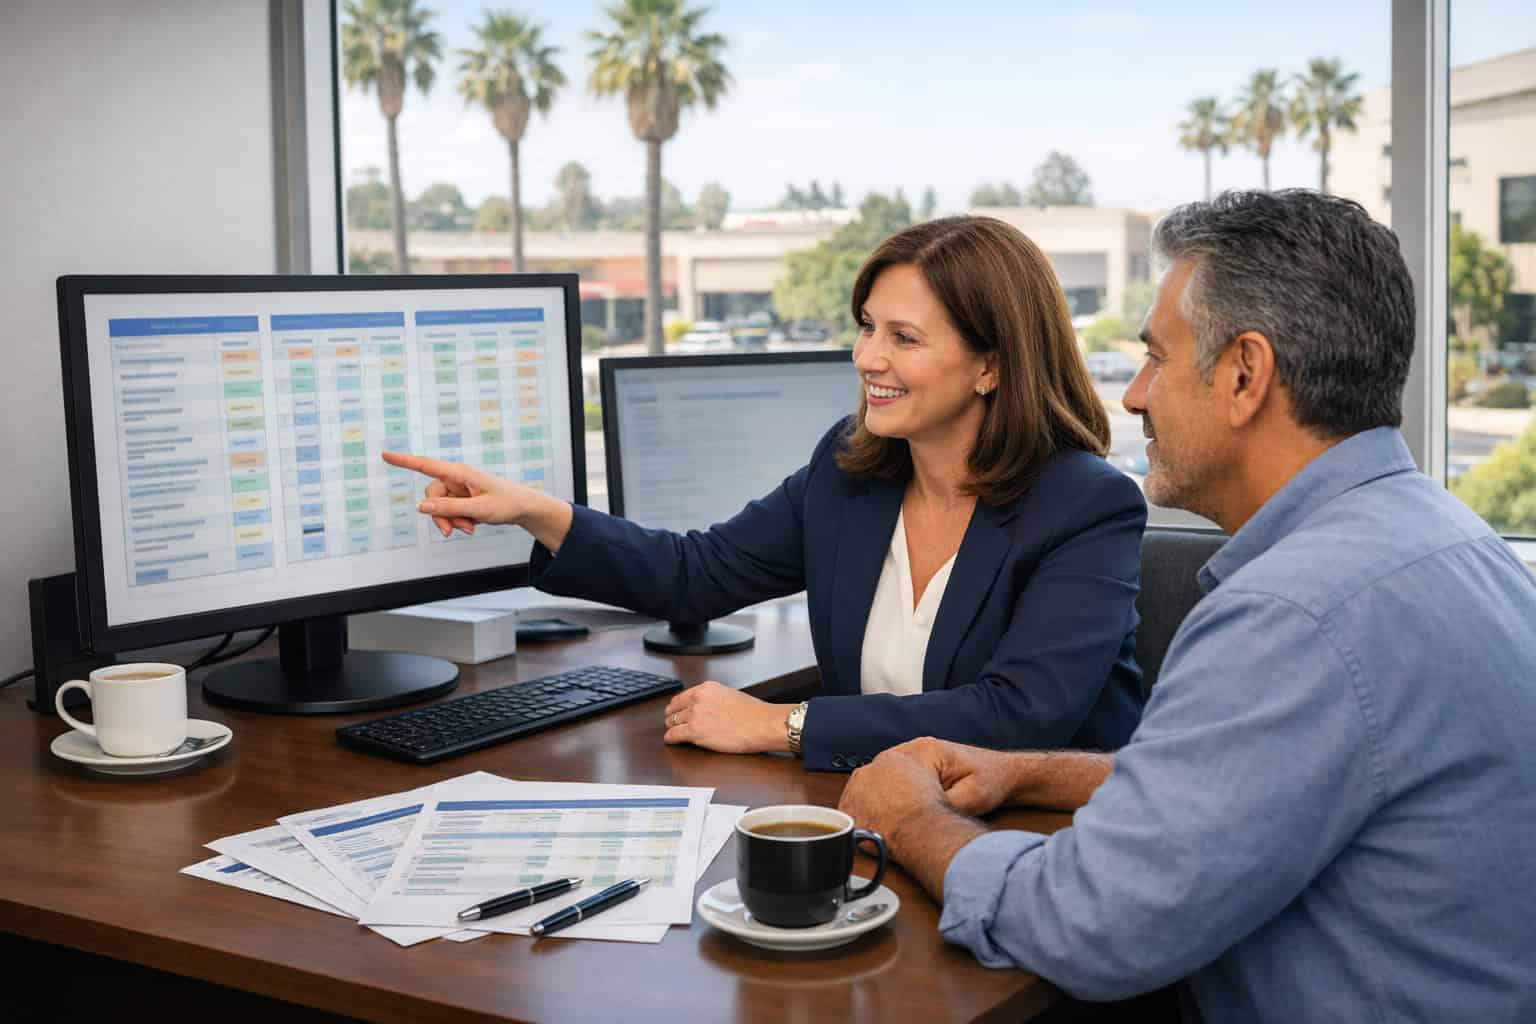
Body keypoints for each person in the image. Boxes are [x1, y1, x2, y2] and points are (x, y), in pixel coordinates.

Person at [838, 190, 1536, 1021]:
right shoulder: (1450, 539)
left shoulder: (1293, 613)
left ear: (1246, 374)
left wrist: (911, 820)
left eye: (1156, 359)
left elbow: (1088, 925)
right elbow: (1274, 780)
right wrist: (1035, 771)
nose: (1132, 396)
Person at [384, 216, 1148, 771]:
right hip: (891, 816)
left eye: (903, 339)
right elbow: (698, 573)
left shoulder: (1085, 506)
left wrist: (781, 724)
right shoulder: (853, 471)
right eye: (866, 327)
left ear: (991, 365)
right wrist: (536, 512)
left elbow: (1016, 717)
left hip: (1038, 844)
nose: (867, 357)